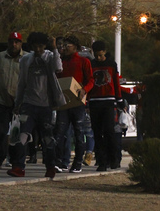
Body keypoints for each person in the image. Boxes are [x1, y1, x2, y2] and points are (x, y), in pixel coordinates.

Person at [7, 32, 65, 179]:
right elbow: (21, 83)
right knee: (22, 135)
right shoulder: (26, 60)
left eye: (41, 46)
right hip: (29, 104)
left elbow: (58, 68)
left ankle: (50, 166)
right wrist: (18, 103)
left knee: (47, 138)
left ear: (45, 46)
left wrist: (54, 49)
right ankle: (19, 167)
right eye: (35, 46)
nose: (38, 49)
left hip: (46, 105)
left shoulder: (50, 57)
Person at [0, 32, 26, 170]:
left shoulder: (26, 58)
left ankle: (16, 160)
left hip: (20, 102)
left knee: (17, 133)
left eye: (17, 42)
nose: (14, 44)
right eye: (11, 41)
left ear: (21, 43)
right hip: (1, 100)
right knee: (0, 132)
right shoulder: (0, 57)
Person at [54, 34, 93, 173]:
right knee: (59, 132)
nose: (64, 48)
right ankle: (58, 162)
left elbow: (91, 80)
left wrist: (84, 90)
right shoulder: (60, 62)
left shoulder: (83, 61)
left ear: (75, 47)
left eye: (67, 46)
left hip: (77, 103)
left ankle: (77, 163)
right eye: (63, 46)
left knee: (79, 133)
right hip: (63, 102)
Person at [88, 40, 123, 172]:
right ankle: (101, 161)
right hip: (94, 101)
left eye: (101, 55)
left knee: (109, 131)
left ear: (105, 52)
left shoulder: (111, 64)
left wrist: (119, 99)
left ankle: (113, 159)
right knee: (97, 132)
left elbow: (116, 82)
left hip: (108, 101)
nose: (98, 58)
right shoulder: (91, 64)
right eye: (96, 55)